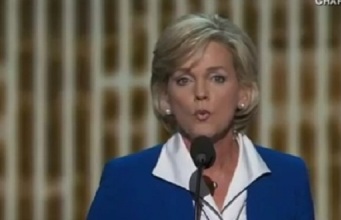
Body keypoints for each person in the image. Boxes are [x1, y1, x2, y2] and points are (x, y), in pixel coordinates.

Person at [87, 13, 315, 220]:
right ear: (166, 98)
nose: (201, 93)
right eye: (184, 80)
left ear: (243, 93)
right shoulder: (126, 181)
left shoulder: (288, 178)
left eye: (217, 78)